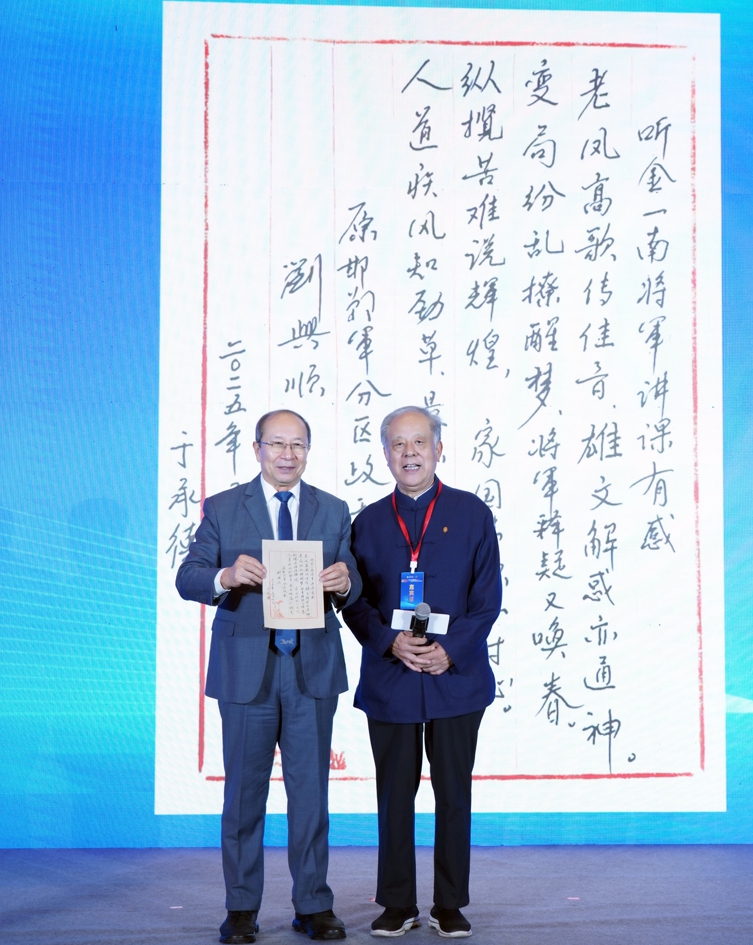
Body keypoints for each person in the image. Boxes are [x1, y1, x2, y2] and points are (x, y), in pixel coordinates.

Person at [176, 409, 361, 944]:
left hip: (311, 669)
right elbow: (188, 577)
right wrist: (226, 575)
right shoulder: (222, 507)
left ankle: (314, 905)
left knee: (311, 795)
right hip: (245, 672)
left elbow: (353, 580)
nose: (287, 454)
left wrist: (345, 581)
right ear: (256, 448)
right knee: (243, 795)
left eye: (297, 444)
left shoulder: (333, 509)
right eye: (276, 444)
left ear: (308, 450)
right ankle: (241, 908)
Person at [343, 406, 501, 939]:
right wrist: (389, 642)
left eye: (419, 442)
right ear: (385, 453)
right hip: (391, 678)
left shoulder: (472, 513)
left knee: (454, 794)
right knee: (394, 796)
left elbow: (487, 599)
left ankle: (450, 904)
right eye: (398, 444)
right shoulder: (366, 522)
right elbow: (353, 601)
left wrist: (449, 651)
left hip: (456, 678)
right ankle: (397, 903)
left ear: (439, 448)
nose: (409, 453)